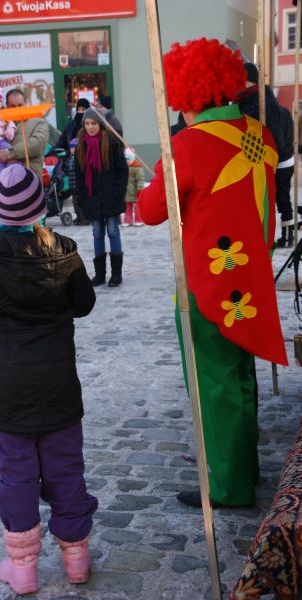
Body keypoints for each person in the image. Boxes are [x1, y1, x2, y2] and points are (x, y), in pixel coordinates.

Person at [138, 37, 288, 508]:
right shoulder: (259, 135)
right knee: (242, 379)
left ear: (186, 98)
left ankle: (230, 485)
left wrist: (160, 171)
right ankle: (243, 468)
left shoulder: (185, 145)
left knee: (216, 388)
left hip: (208, 288)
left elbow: (149, 211)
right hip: (253, 284)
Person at [0, 163, 98, 595]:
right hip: (57, 384)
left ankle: (23, 567)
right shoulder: (65, 249)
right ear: (41, 207)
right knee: (66, 471)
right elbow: (84, 304)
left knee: (16, 475)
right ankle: (76, 558)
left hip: (8, 388)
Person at [236, 63, 295, 248]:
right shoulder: (246, 100)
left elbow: (273, 136)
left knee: (281, 199)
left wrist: (267, 161)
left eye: (241, 80)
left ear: (250, 81)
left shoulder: (264, 103)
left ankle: (287, 235)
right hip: (266, 161)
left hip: (278, 161)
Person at [75, 107, 128, 287]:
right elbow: (78, 175)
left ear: (101, 124)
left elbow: (122, 171)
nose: (90, 127)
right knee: (97, 233)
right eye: (87, 123)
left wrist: (118, 193)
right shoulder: (81, 145)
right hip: (92, 199)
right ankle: (100, 274)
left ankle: (116, 274)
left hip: (110, 197)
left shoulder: (111, 143)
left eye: (93, 123)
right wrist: (81, 197)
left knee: (113, 231)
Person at [0, 88, 49, 182]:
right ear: (7, 105)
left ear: (26, 103)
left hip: (28, 182)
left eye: (20, 105)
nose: (17, 109)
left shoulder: (39, 121)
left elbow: (37, 145)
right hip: (1, 184)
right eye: (13, 106)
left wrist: (9, 153)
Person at [67, 138, 89, 226]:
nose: (72, 150)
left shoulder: (80, 158)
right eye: (71, 148)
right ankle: (79, 217)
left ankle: (83, 218)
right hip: (73, 185)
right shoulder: (71, 158)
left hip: (78, 185)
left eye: (74, 148)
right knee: (75, 202)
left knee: (79, 202)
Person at [121, 147, 144, 227]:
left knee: (137, 207)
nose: (127, 161)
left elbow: (140, 180)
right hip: (127, 192)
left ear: (133, 159)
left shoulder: (137, 168)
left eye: (129, 159)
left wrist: (140, 189)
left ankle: (139, 220)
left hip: (135, 191)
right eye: (126, 159)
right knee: (128, 207)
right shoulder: (124, 168)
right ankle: (128, 221)